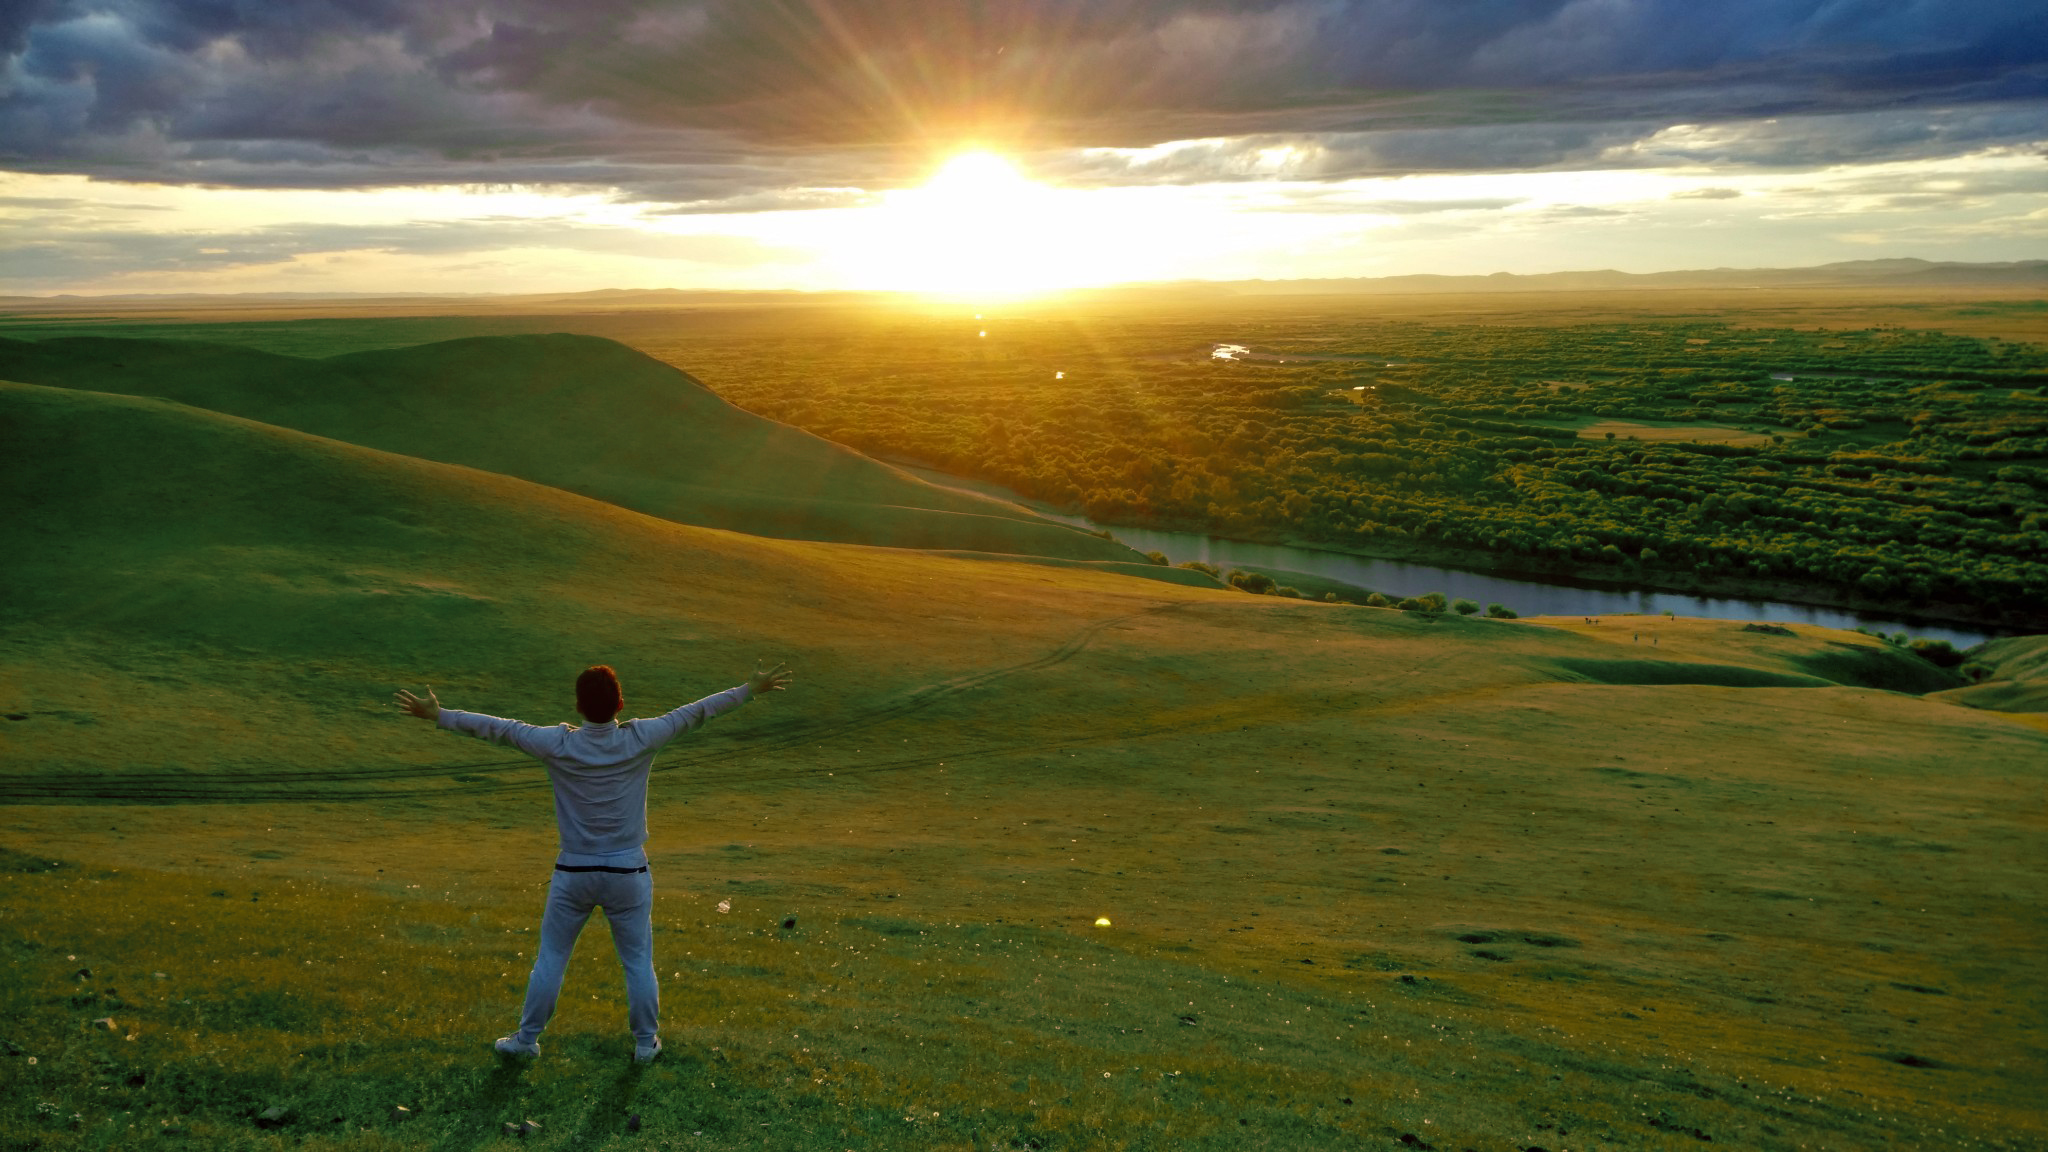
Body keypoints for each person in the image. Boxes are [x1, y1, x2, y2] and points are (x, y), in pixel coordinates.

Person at [394, 660, 794, 1063]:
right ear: (620, 703)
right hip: (628, 871)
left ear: (579, 707)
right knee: (637, 960)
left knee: (551, 957)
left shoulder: (558, 743)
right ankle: (644, 1044)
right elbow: (695, 713)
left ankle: (526, 1040)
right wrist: (749, 689)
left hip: (574, 872)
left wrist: (439, 715)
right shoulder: (640, 737)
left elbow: (500, 729)